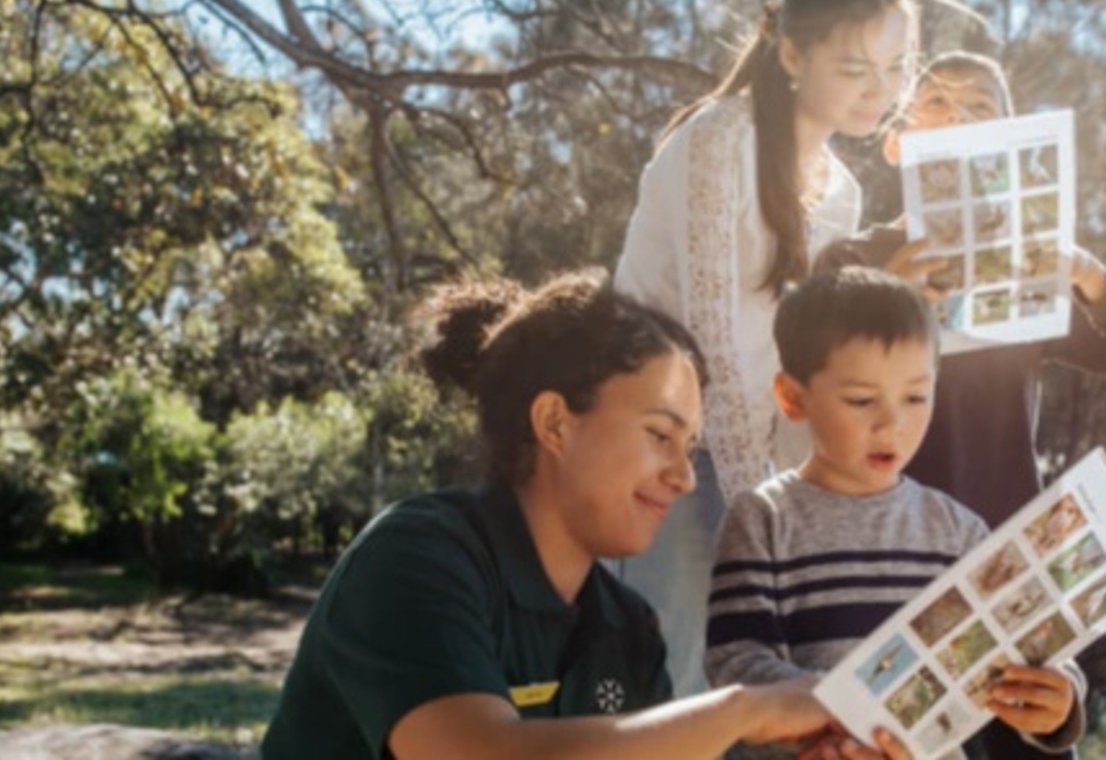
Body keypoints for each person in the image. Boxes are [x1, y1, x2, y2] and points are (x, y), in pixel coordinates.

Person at [261, 270, 840, 760]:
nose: (685, 476)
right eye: (660, 434)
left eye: (689, 449)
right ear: (555, 423)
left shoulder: (624, 625)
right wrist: (740, 710)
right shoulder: (414, 557)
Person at [822, 49, 1106, 760]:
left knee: (1031, 725)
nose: (957, 118)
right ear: (897, 141)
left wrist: (1091, 278)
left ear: (1007, 147)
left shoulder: (1028, 268)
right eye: (936, 104)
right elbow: (808, 391)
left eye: (980, 109)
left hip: (1005, 563)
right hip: (883, 565)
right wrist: (888, 294)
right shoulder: (850, 259)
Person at [612, 0, 919, 698]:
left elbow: (791, 360)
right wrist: (765, 519)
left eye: (897, 66)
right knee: (676, 684)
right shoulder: (722, 139)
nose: (881, 90)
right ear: (790, 53)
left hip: (748, 464)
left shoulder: (839, 191)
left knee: (757, 691)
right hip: (660, 451)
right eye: (855, 67)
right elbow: (712, 344)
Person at [704, 268, 1086, 760]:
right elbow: (736, 663)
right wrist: (843, 715)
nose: (893, 423)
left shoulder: (957, 530)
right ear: (794, 398)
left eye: (916, 397)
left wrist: (1061, 698)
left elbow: (1029, 643)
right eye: (862, 400)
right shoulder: (761, 519)